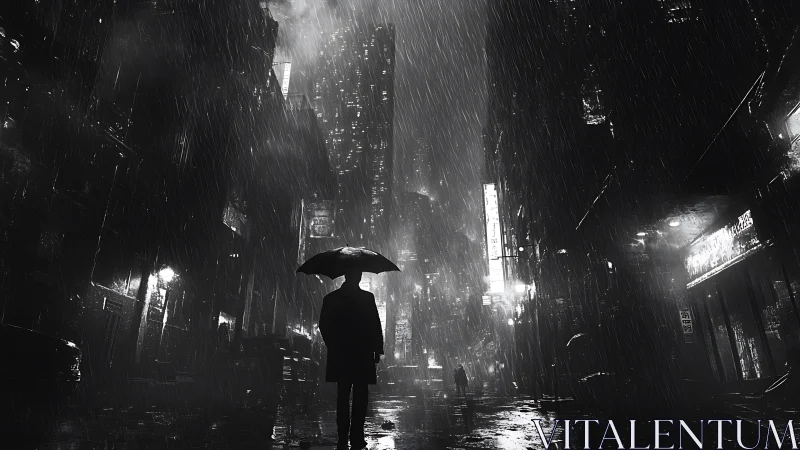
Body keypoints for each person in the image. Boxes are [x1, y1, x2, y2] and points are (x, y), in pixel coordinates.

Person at [319, 270, 384, 450]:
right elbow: (375, 325)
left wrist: (333, 344)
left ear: (345, 276)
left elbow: (323, 325)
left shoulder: (331, 298)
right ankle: (357, 436)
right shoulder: (367, 298)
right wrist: (377, 349)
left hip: (342, 355)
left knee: (342, 396)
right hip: (362, 355)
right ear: (359, 277)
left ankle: (342, 436)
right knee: (360, 397)